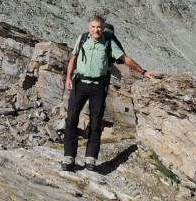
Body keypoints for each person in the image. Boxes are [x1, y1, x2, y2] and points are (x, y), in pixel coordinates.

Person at [62, 15, 153, 172]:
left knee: (96, 121)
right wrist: (68, 77)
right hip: (80, 83)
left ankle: (91, 158)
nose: (96, 30)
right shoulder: (83, 39)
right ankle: (69, 157)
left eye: (99, 27)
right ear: (89, 27)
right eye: (93, 27)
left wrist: (143, 71)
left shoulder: (108, 42)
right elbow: (73, 58)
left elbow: (125, 59)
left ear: (103, 28)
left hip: (98, 86)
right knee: (71, 118)